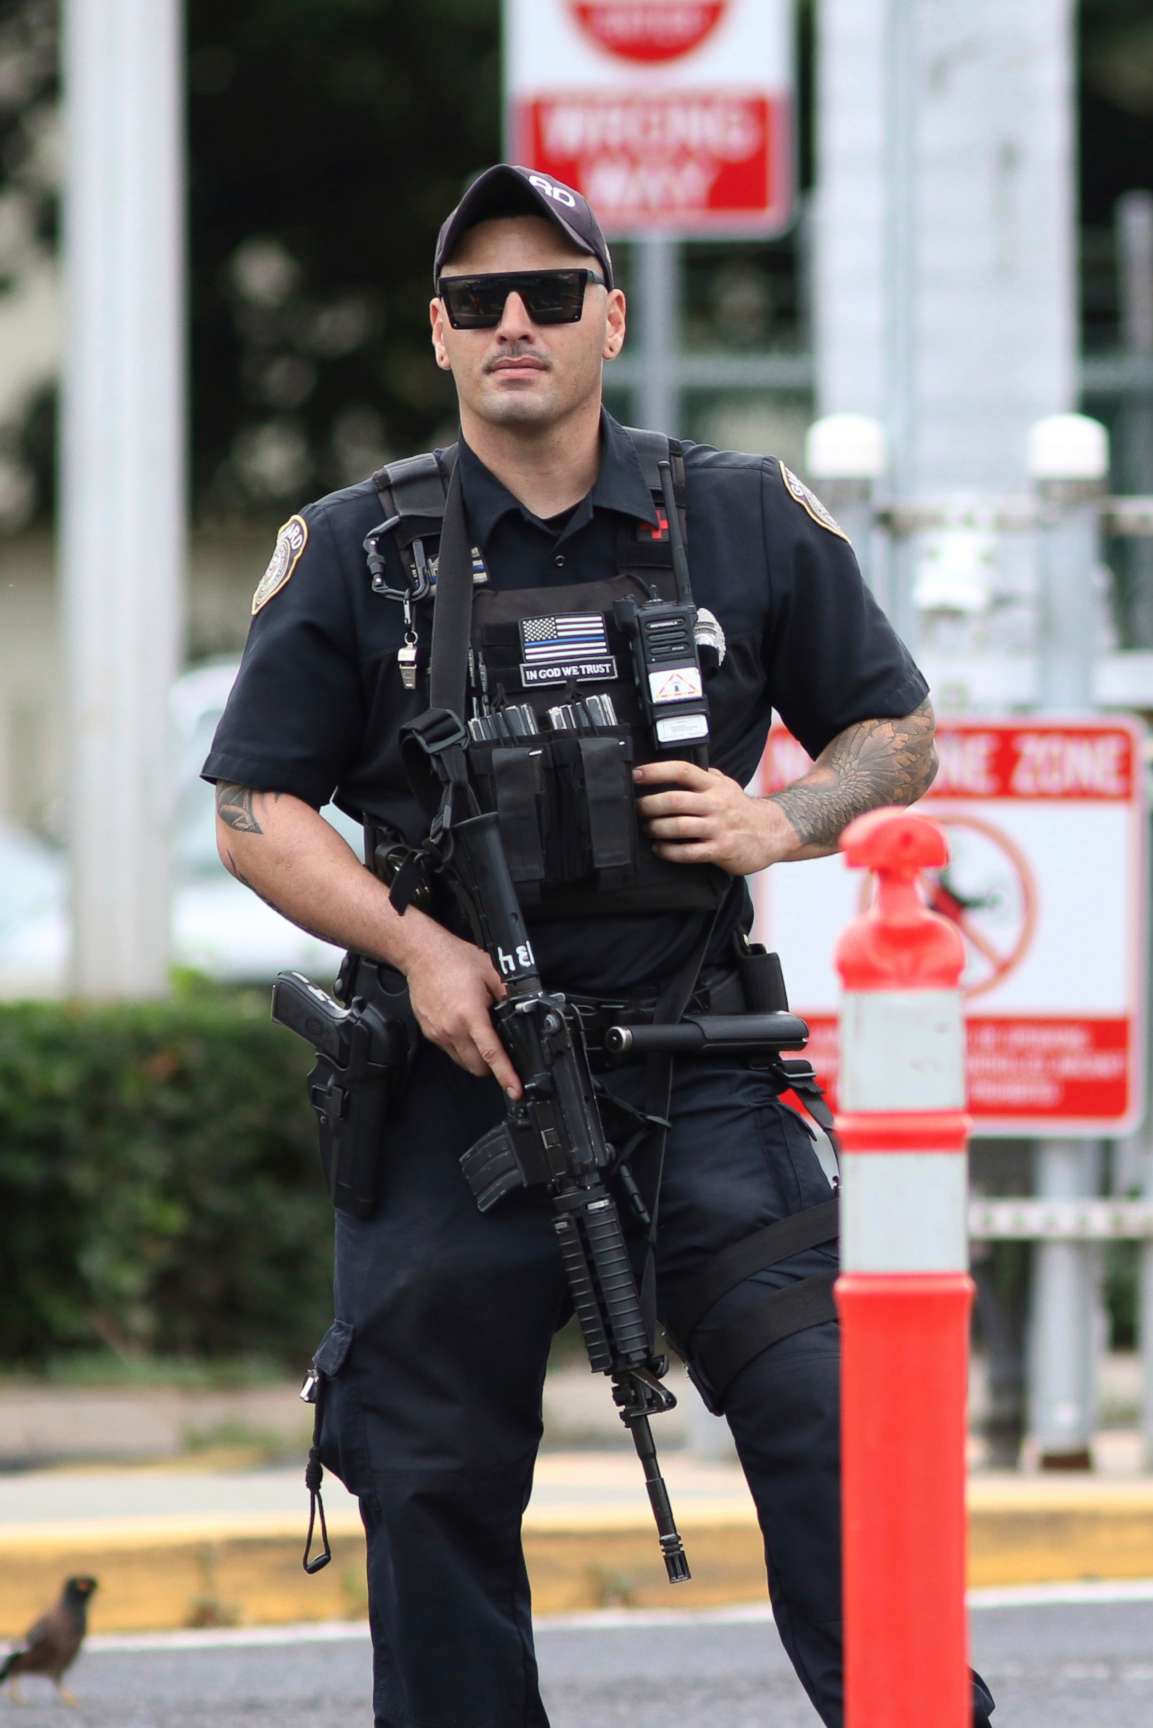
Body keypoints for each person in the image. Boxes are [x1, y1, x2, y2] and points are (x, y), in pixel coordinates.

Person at [202, 164, 995, 1728]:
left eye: (552, 293)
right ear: (437, 336)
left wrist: (787, 817)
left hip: (699, 1062)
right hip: (459, 1079)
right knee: (425, 1473)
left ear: (609, 320)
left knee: (834, 1422)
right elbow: (251, 806)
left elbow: (898, 734)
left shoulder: (742, 515)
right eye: (479, 300)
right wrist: (414, 946)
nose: (517, 322)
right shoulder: (361, 549)